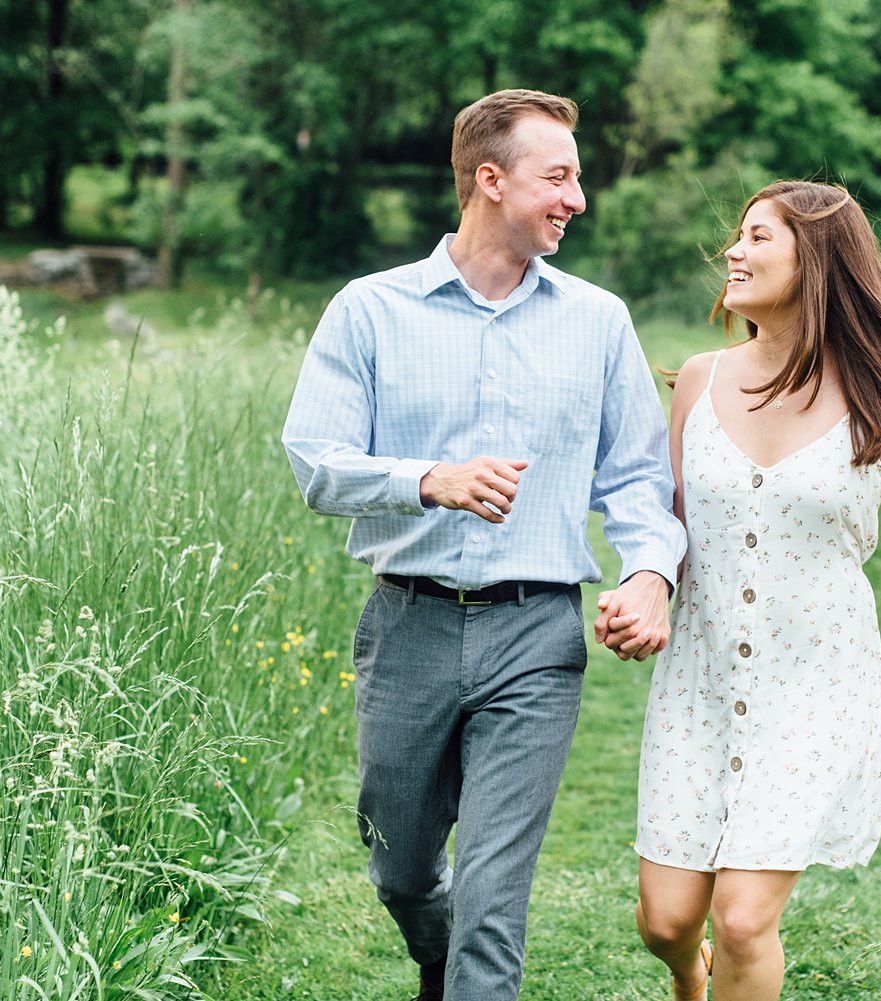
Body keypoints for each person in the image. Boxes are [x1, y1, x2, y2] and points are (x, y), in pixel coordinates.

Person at [281, 89, 685, 1001]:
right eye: (560, 176)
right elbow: (316, 459)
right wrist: (429, 479)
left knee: (496, 899)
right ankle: (439, 954)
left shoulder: (598, 321)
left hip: (536, 635)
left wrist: (651, 573)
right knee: (403, 869)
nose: (577, 197)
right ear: (491, 180)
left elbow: (636, 479)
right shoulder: (370, 310)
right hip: (407, 626)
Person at [604, 180, 881, 1000]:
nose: (732, 252)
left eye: (757, 236)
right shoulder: (700, 381)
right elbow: (664, 523)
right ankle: (688, 979)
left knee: (741, 918)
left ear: (818, 258)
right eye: (737, 236)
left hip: (816, 680)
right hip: (699, 681)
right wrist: (646, 586)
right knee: (666, 921)